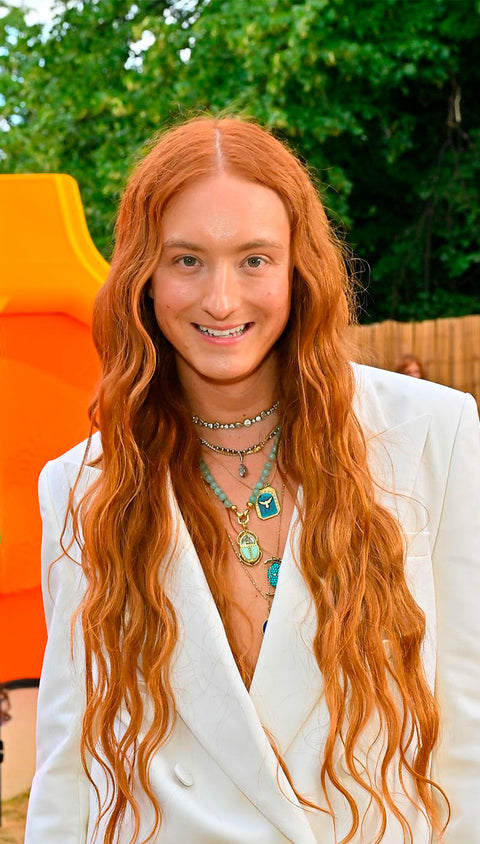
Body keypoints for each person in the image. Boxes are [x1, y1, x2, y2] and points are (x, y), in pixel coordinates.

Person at [25, 117, 480, 844]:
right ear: (143, 276)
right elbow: (70, 764)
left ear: (300, 269)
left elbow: (466, 724)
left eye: (254, 260)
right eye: (186, 260)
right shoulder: (81, 489)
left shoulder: (434, 434)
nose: (222, 300)